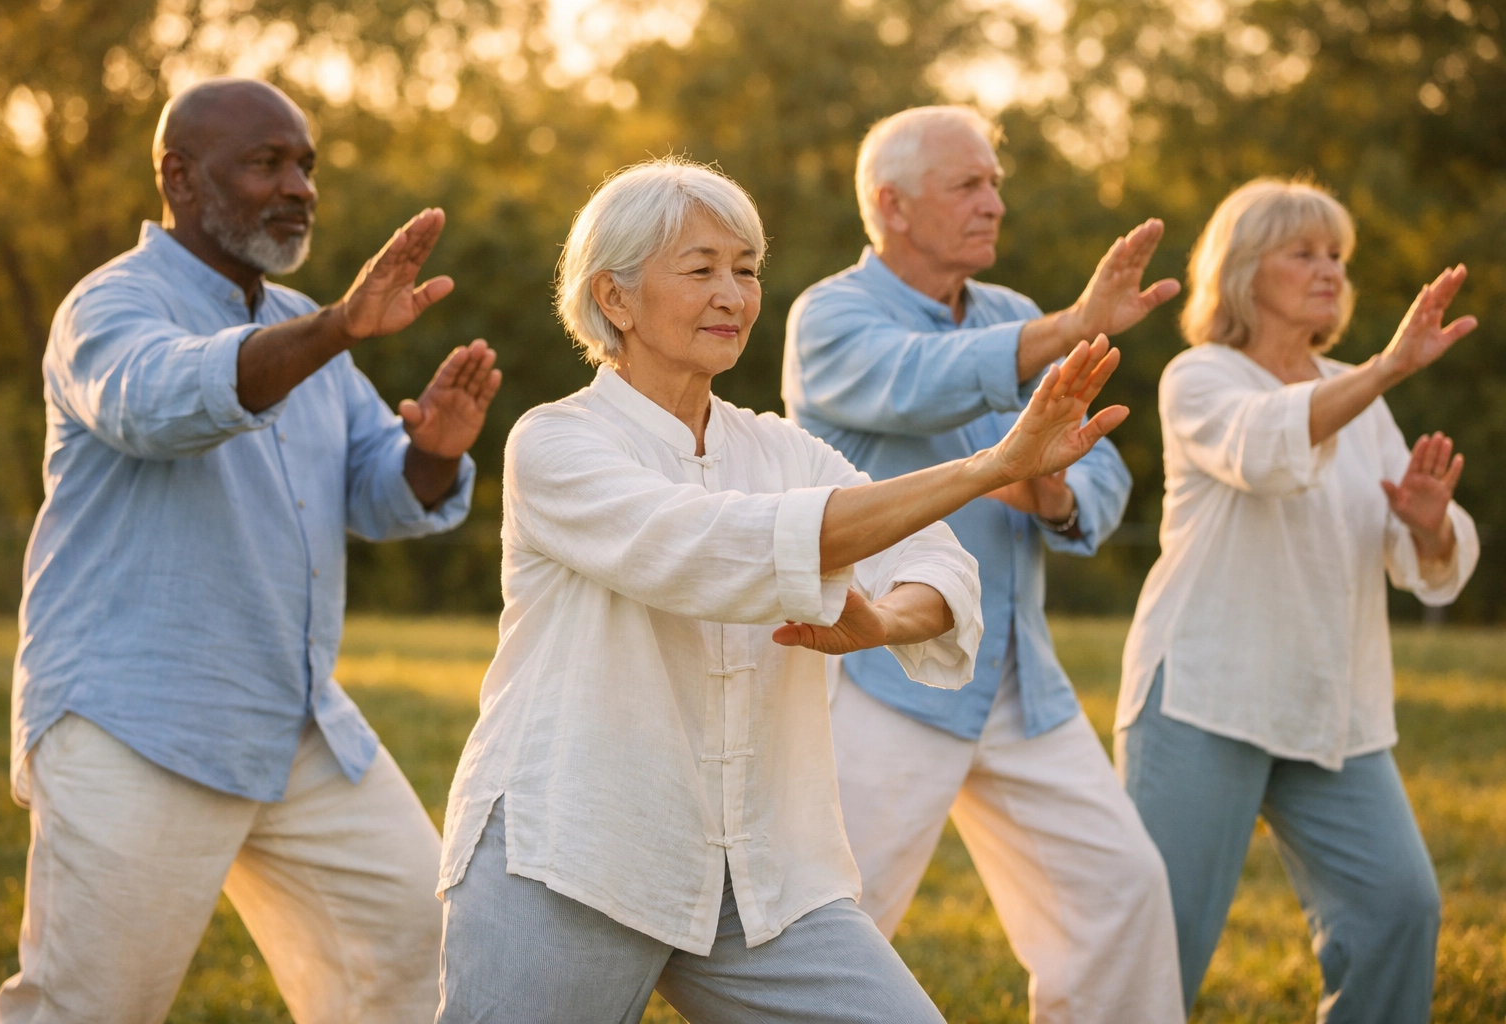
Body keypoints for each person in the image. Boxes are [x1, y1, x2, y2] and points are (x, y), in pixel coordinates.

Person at [432, 156, 1130, 1023]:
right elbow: (714, 551)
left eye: (747, 270)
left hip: (761, 876)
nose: (733, 294)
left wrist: (880, 622)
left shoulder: (781, 448)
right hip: (571, 854)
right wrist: (993, 467)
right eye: (701, 269)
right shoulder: (556, 446)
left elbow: (940, 564)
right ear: (613, 298)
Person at [0, 78, 502, 1024]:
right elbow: (160, 405)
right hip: (136, 720)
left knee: (421, 952)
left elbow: (374, 494)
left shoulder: (303, 324)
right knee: (90, 1006)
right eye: (267, 162)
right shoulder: (109, 308)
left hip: (294, 720)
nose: (299, 185)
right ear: (180, 178)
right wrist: (337, 327)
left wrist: (432, 453)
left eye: (305, 164)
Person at [783, 105, 1184, 1023]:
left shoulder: (1013, 315)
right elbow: (922, 375)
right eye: (969, 184)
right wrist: (1073, 326)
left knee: (1120, 895)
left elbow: (1105, 466)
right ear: (891, 205)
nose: (994, 202)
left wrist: (1045, 490)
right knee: (830, 928)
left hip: (1016, 681)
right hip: (879, 671)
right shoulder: (830, 317)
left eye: (995, 183)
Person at [1114, 178, 1479, 1022]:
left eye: (1338, 257)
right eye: (1304, 252)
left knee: (1400, 909)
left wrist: (1427, 526)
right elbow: (1266, 448)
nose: (1329, 271)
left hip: (1331, 709)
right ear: (1244, 272)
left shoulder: (1357, 392)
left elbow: (1417, 556)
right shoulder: (1198, 378)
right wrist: (1390, 367)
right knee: (1161, 940)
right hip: (1203, 697)